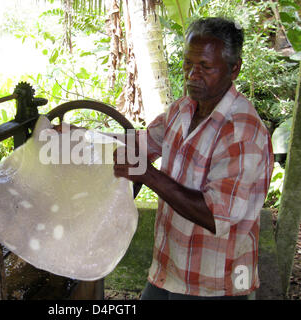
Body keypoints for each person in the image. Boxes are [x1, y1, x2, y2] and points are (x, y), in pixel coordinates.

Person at [113, 17, 274, 300]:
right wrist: (79, 138)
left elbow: (216, 215)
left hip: (213, 283)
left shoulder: (241, 133)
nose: (191, 75)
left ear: (234, 69)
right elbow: (141, 143)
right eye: (188, 63)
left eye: (205, 67)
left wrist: (147, 175)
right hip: (170, 268)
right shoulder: (183, 109)